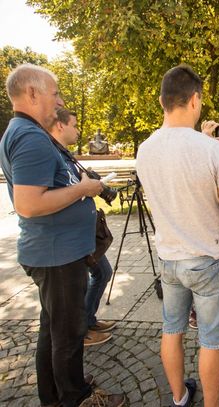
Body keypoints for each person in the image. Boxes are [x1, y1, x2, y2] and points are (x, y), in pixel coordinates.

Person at [136, 63, 219, 407]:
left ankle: (179, 398)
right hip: (207, 257)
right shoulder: (211, 150)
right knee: (211, 340)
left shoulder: (145, 148)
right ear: (195, 100)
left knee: (172, 331)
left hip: (169, 258)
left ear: (162, 101)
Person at [0, 64, 125, 407]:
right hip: (57, 255)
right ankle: (76, 397)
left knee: (53, 330)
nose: (59, 102)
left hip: (55, 252)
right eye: (54, 93)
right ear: (32, 93)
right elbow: (29, 204)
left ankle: (53, 395)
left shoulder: (26, 132)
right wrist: (83, 189)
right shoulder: (30, 137)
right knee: (68, 335)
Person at [48, 108, 117, 347]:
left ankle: (87, 321)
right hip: (69, 240)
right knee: (89, 280)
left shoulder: (64, 154)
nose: (78, 131)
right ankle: (81, 331)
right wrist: (84, 188)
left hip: (83, 237)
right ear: (60, 126)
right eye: (75, 125)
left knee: (102, 273)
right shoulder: (51, 154)